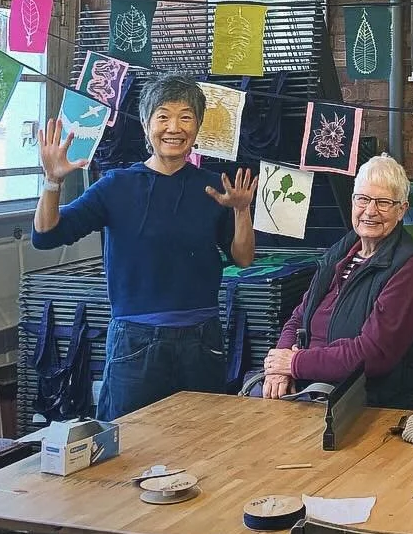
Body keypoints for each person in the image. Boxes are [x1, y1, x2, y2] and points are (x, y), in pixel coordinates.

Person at [33, 75, 258, 424]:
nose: (174, 127)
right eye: (163, 116)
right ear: (145, 123)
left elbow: (243, 257)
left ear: (197, 128)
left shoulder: (214, 188)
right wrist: (53, 182)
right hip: (134, 341)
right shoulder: (116, 186)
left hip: (202, 340)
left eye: (186, 117)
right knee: (128, 445)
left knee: (205, 441)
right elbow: (46, 235)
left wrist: (242, 211)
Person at [263, 153, 413, 409]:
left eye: (383, 203)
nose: (370, 211)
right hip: (318, 394)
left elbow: (373, 354)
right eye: (363, 199)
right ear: (352, 202)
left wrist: (294, 363)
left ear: (402, 209)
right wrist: (278, 368)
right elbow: (299, 317)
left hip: (378, 408)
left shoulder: (412, 268)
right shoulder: (343, 251)